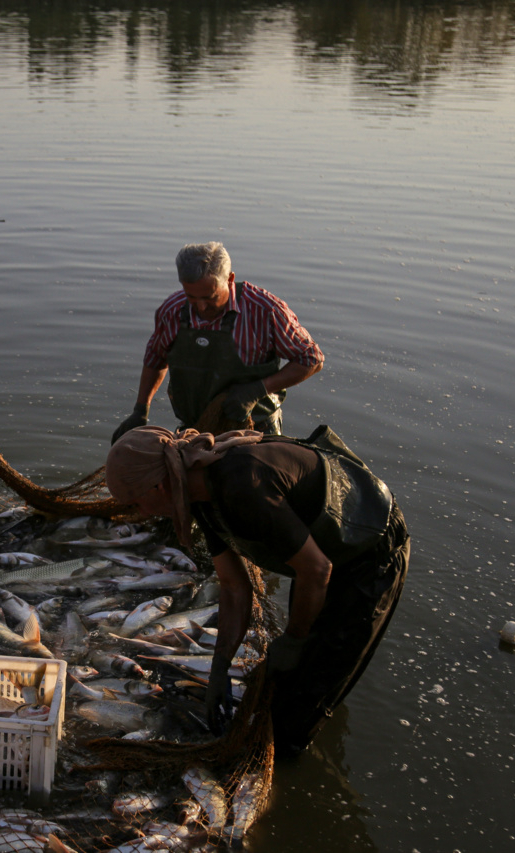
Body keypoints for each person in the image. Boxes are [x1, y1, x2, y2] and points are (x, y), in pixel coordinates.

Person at [105, 425, 410, 757]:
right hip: (321, 557)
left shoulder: (242, 486)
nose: (141, 513)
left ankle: (294, 749)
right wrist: (221, 662)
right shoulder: (197, 491)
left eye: (137, 503)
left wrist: (293, 640)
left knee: (300, 711)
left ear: (159, 485)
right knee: (286, 683)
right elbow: (234, 586)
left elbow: (318, 570)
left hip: (370, 551)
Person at [112, 242, 324, 442]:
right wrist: (140, 411)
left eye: (210, 297)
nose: (202, 307)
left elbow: (311, 359)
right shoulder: (173, 311)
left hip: (256, 428)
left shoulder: (265, 310)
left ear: (230, 280)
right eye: (191, 297)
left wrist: (257, 389)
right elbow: (156, 359)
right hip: (194, 428)